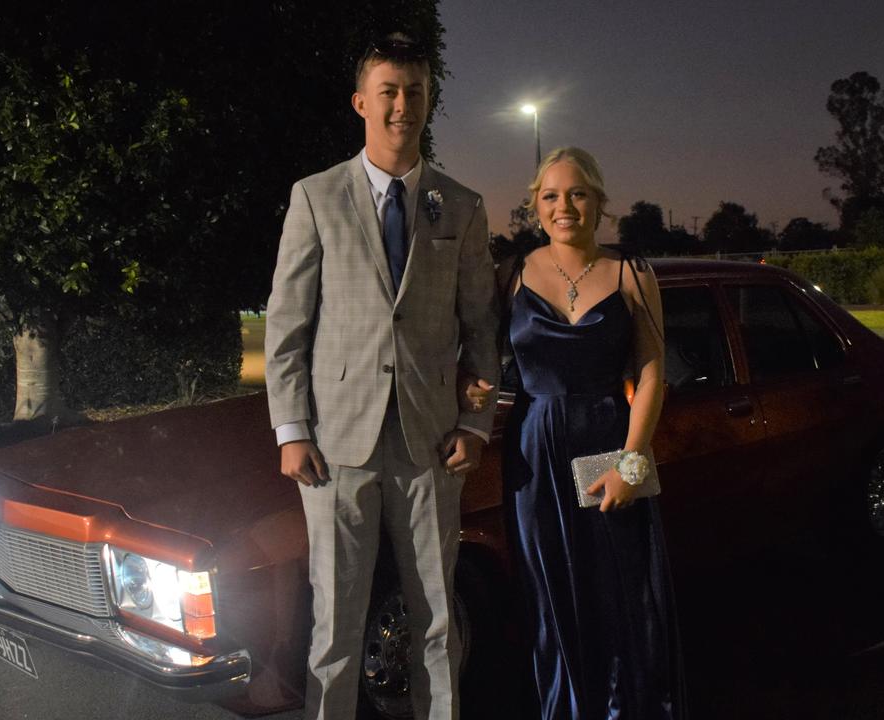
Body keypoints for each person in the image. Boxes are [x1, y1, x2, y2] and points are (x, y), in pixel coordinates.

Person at [263, 33, 500, 720]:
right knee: (335, 628)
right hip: (336, 447)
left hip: (433, 445)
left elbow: (482, 326)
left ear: (429, 101)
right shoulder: (315, 197)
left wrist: (475, 422)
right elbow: (288, 326)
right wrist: (290, 429)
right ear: (361, 101)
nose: (403, 105)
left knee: (436, 619)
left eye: (416, 91)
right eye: (389, 91)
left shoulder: (462, 205)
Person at [466, 147, 685, 719]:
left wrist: (632, 466)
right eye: (551, 196)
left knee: (621, 598)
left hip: (610, 443)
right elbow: (483, 360)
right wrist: (467, 393)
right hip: (533, 454)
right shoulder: (510, 273)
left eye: (578, 193)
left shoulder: (631, 273)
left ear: (599, 202)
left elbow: (652, 371)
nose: (565, 206)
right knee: (551, 601)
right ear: (535, 205)